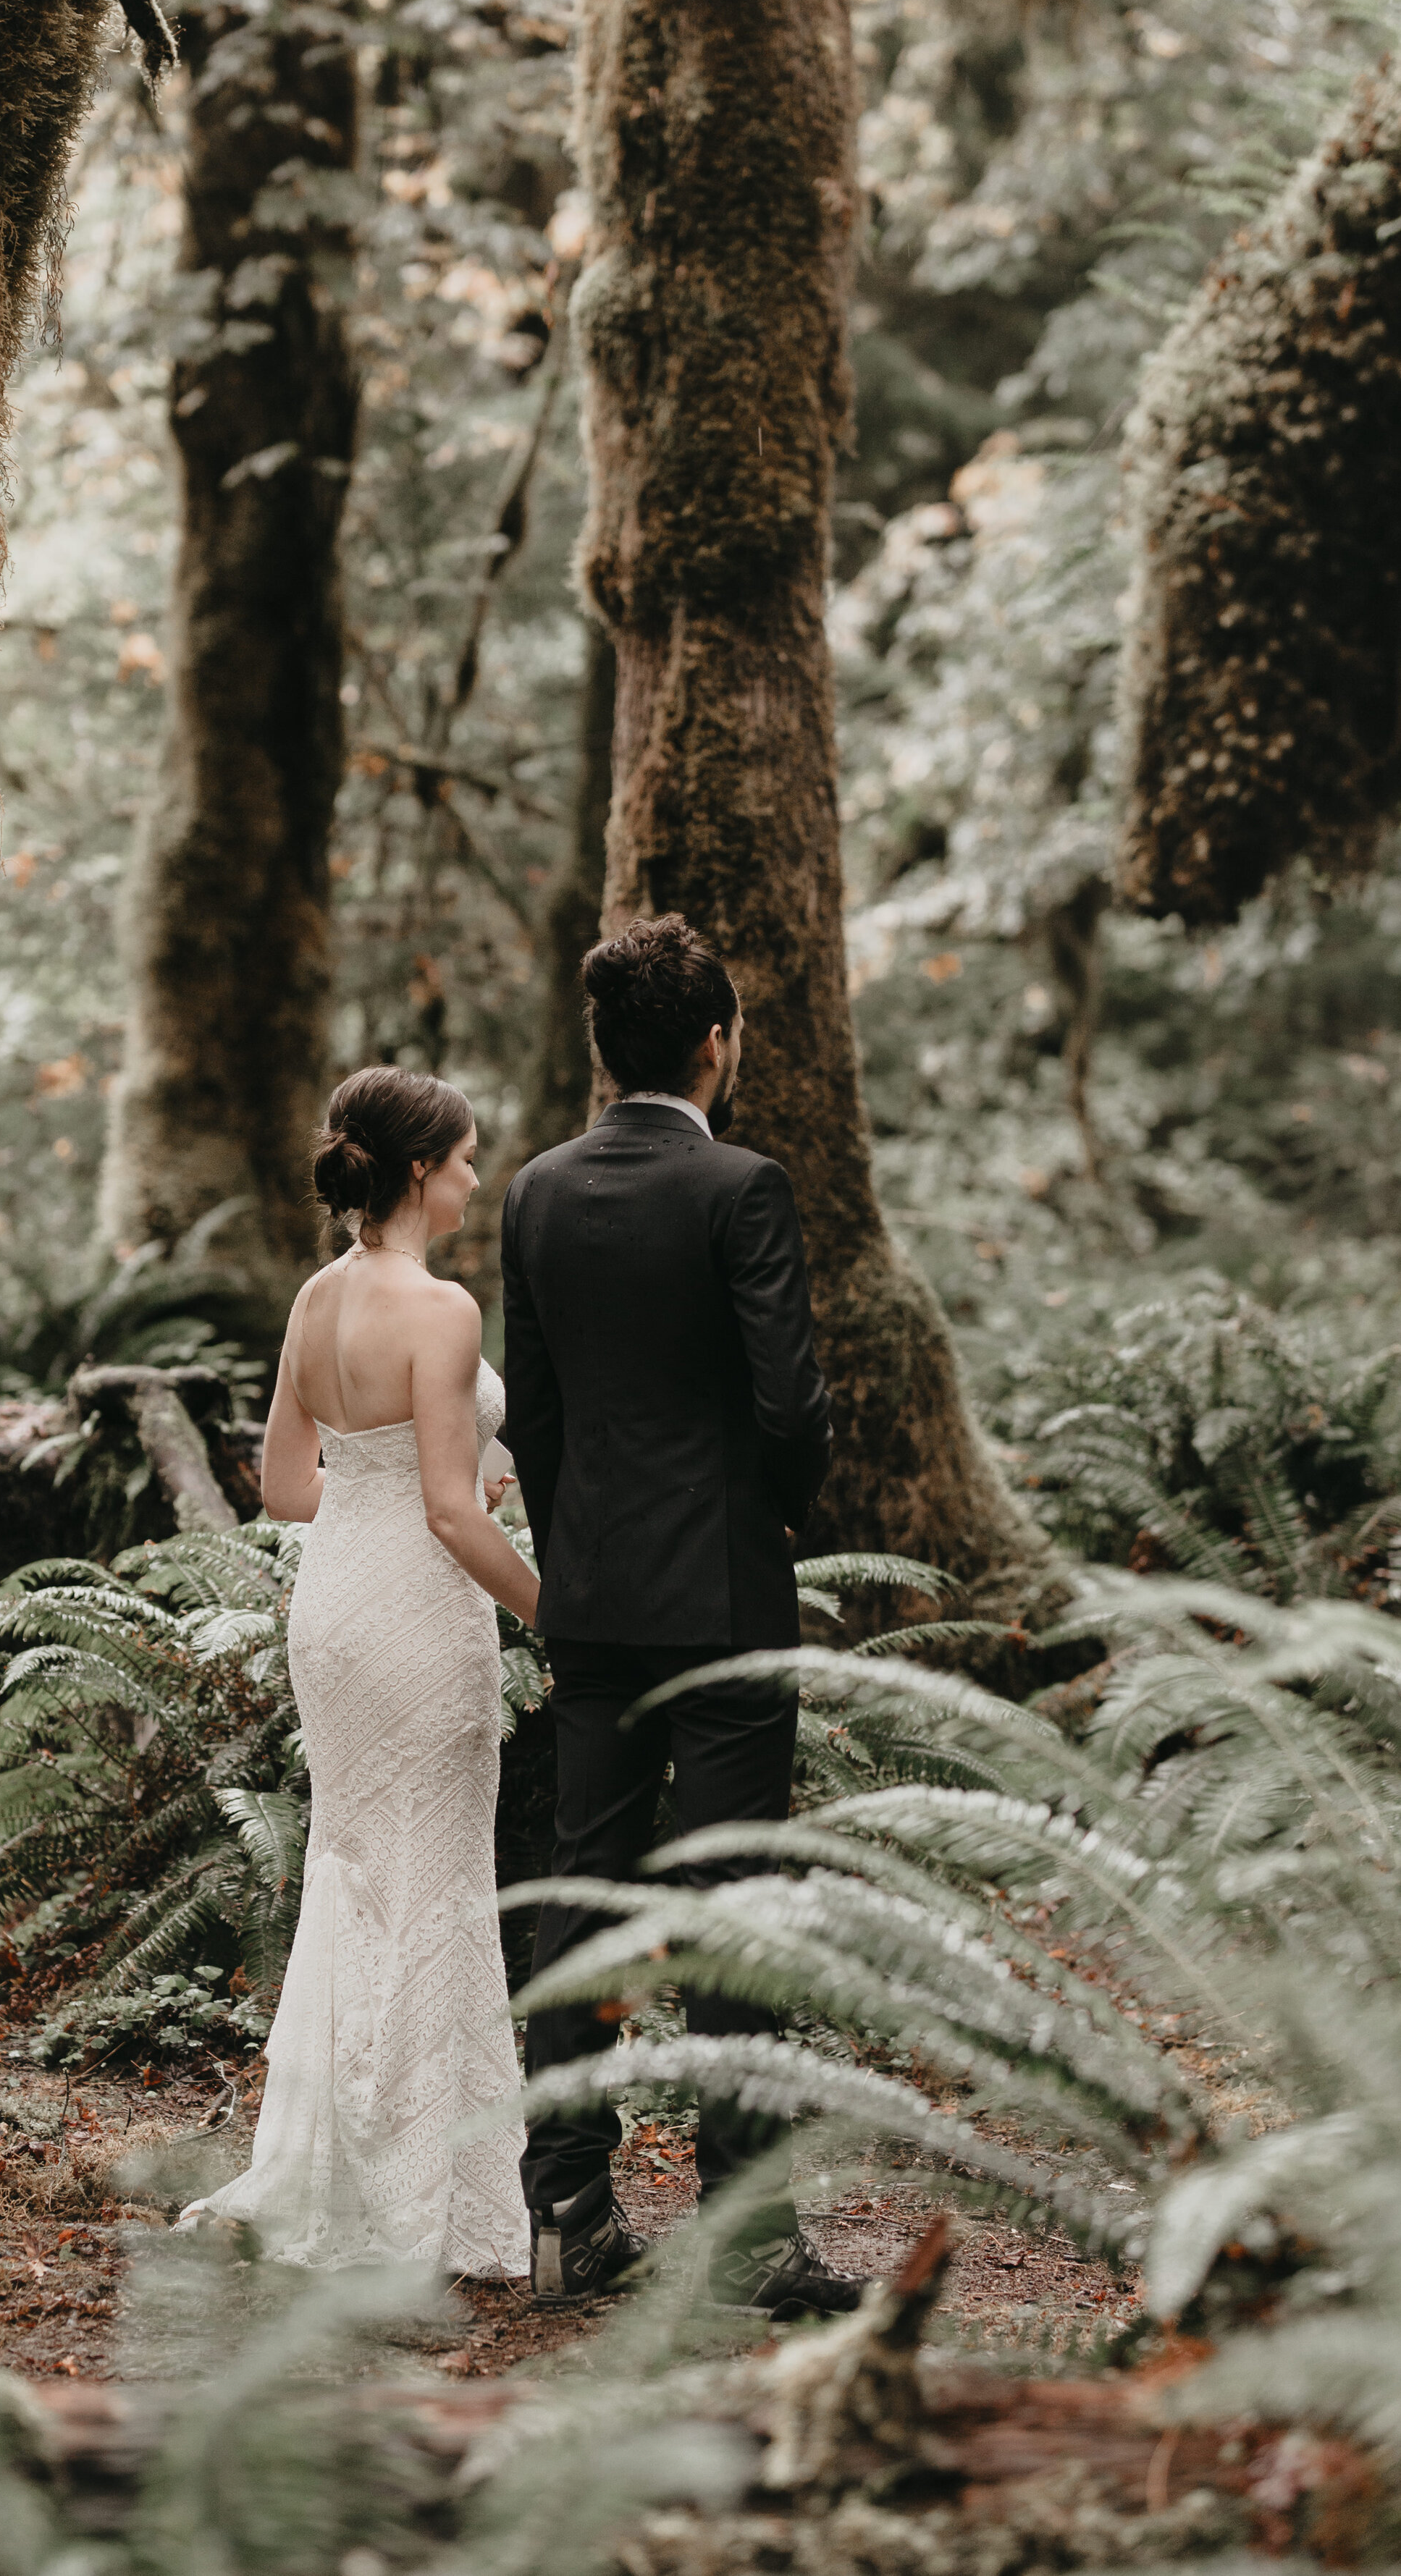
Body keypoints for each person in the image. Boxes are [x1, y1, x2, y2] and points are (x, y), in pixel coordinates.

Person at [501, 913, 859, 2318]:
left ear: (605, 1047)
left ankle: (569, 2212)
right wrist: (779, 1507)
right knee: (730, 1911)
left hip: (588, 1599)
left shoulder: (532, 1192)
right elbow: (788, 1404)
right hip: (719, 1595)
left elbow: (531, 1417)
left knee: (583, 1896)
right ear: (714, 1043)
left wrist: (572, 1544)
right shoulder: (741, 1188)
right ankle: (747, 2232)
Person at [179, 1065, 537, 2274]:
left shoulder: (314, 1300)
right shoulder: (440, 1312)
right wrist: (558, 1611)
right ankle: (412, 2201)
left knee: (356, 1869)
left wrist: (397, 1493)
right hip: (422, 1619)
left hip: (334, 1607)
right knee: (433, 1881)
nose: (480, 1178)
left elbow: (285, 1488)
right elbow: (450, 1511)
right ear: (423, 1170)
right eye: (469, 1158)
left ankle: (340, 2165)